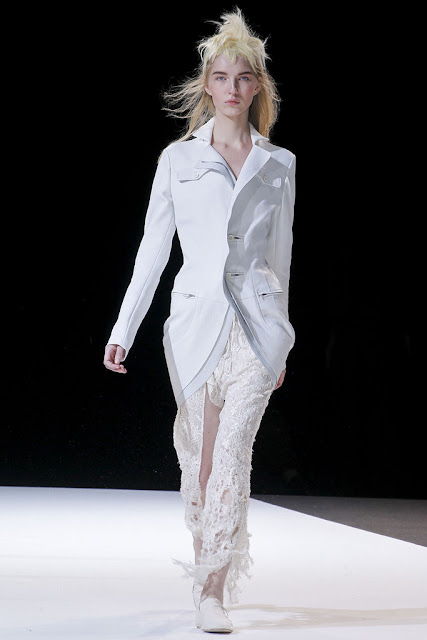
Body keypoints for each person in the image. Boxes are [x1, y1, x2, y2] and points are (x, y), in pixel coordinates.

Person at [103, 7, 296, 634]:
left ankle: (213, 587)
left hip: (256, 331)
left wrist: (280, 340)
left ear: (257, 85)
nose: (233, 88)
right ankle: (203, 568)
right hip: (193, 326)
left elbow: (279, 259)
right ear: (207, 84)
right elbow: (153, 251)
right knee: (202, 462)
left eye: (244, 77)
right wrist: (123, 330)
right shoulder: (178, 160)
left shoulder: (279, 164)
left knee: (234, 453)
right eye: (221, 77)